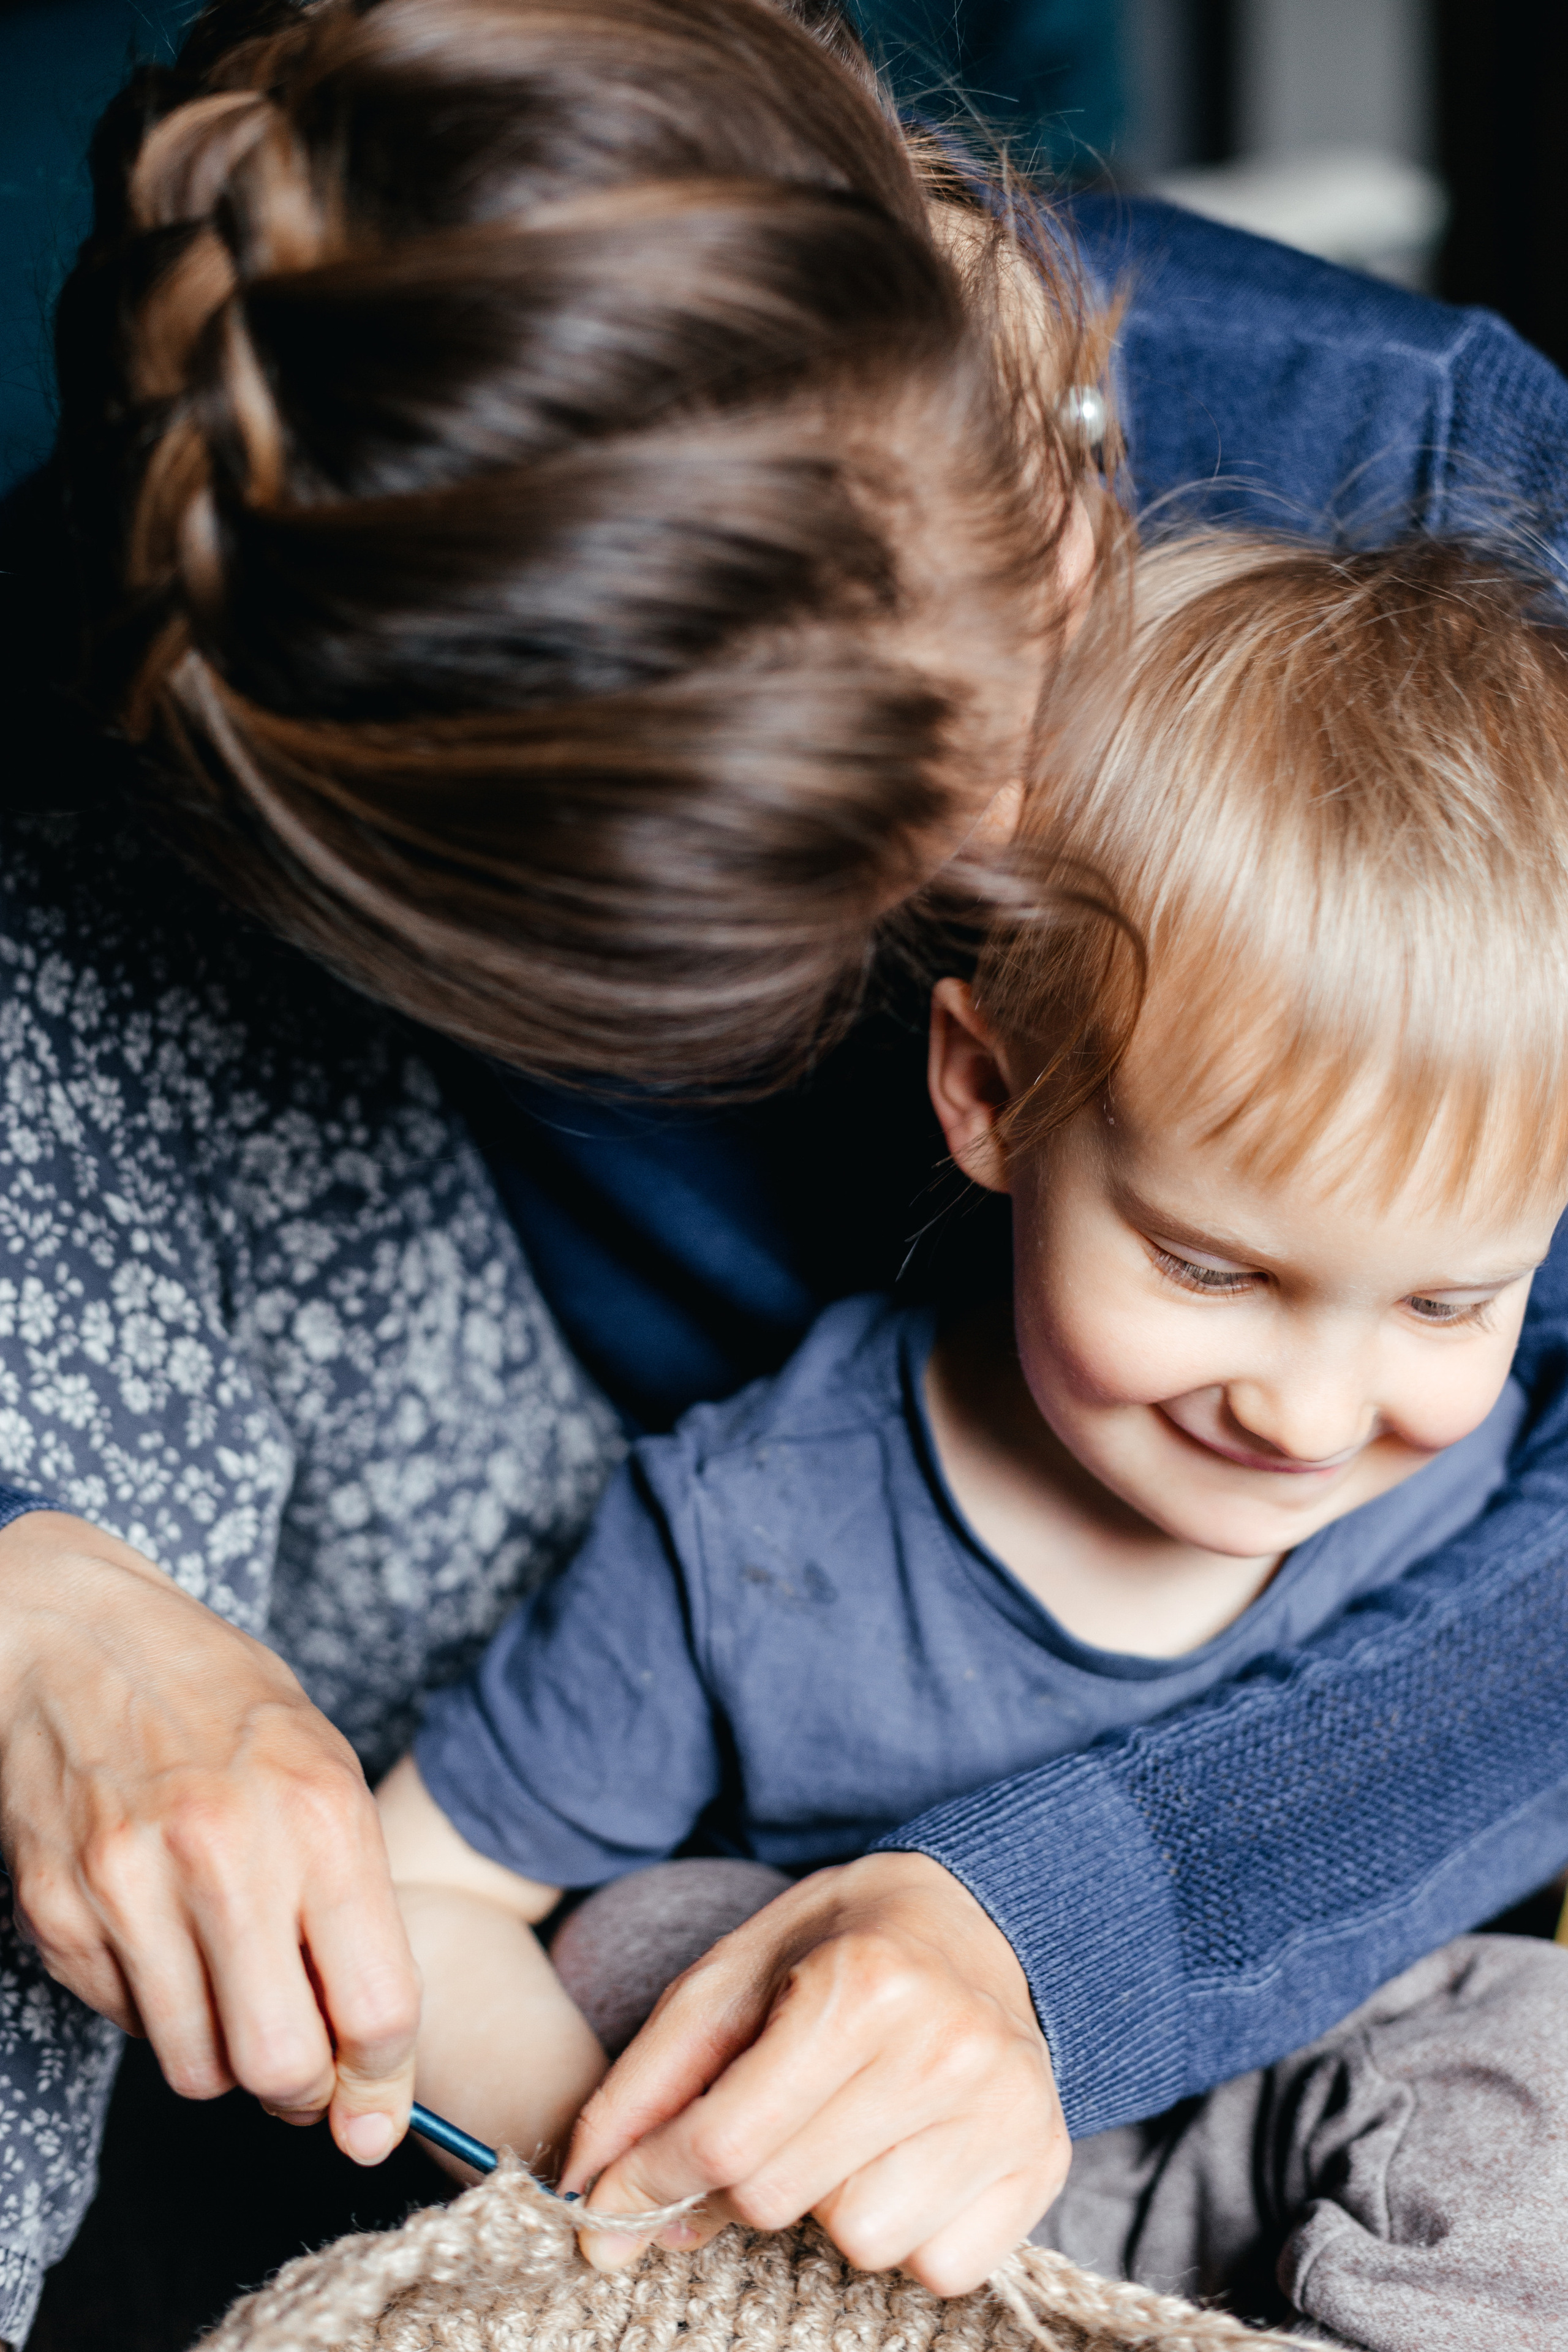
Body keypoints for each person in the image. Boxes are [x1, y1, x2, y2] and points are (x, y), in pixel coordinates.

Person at [1, 0, 1567, 2334]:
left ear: (1054, 407)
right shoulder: (214, 638)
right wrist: (32, 1568)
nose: (1046, 905)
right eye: (806, 968)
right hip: (614, 1706)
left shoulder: (1456, 499)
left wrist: (1070, 1919)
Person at [380, 535, 1568, 2348]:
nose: (1317, 1416)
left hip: (1306, 2140)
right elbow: (427, 1888)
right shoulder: (746, 1532)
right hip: (878, 2231)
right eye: (1210, 1265)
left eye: (1446, 1306)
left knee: (1534, 2065)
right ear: (992, 1091)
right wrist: (622, 2203)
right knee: (661, 1946)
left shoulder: (1475, 1484)